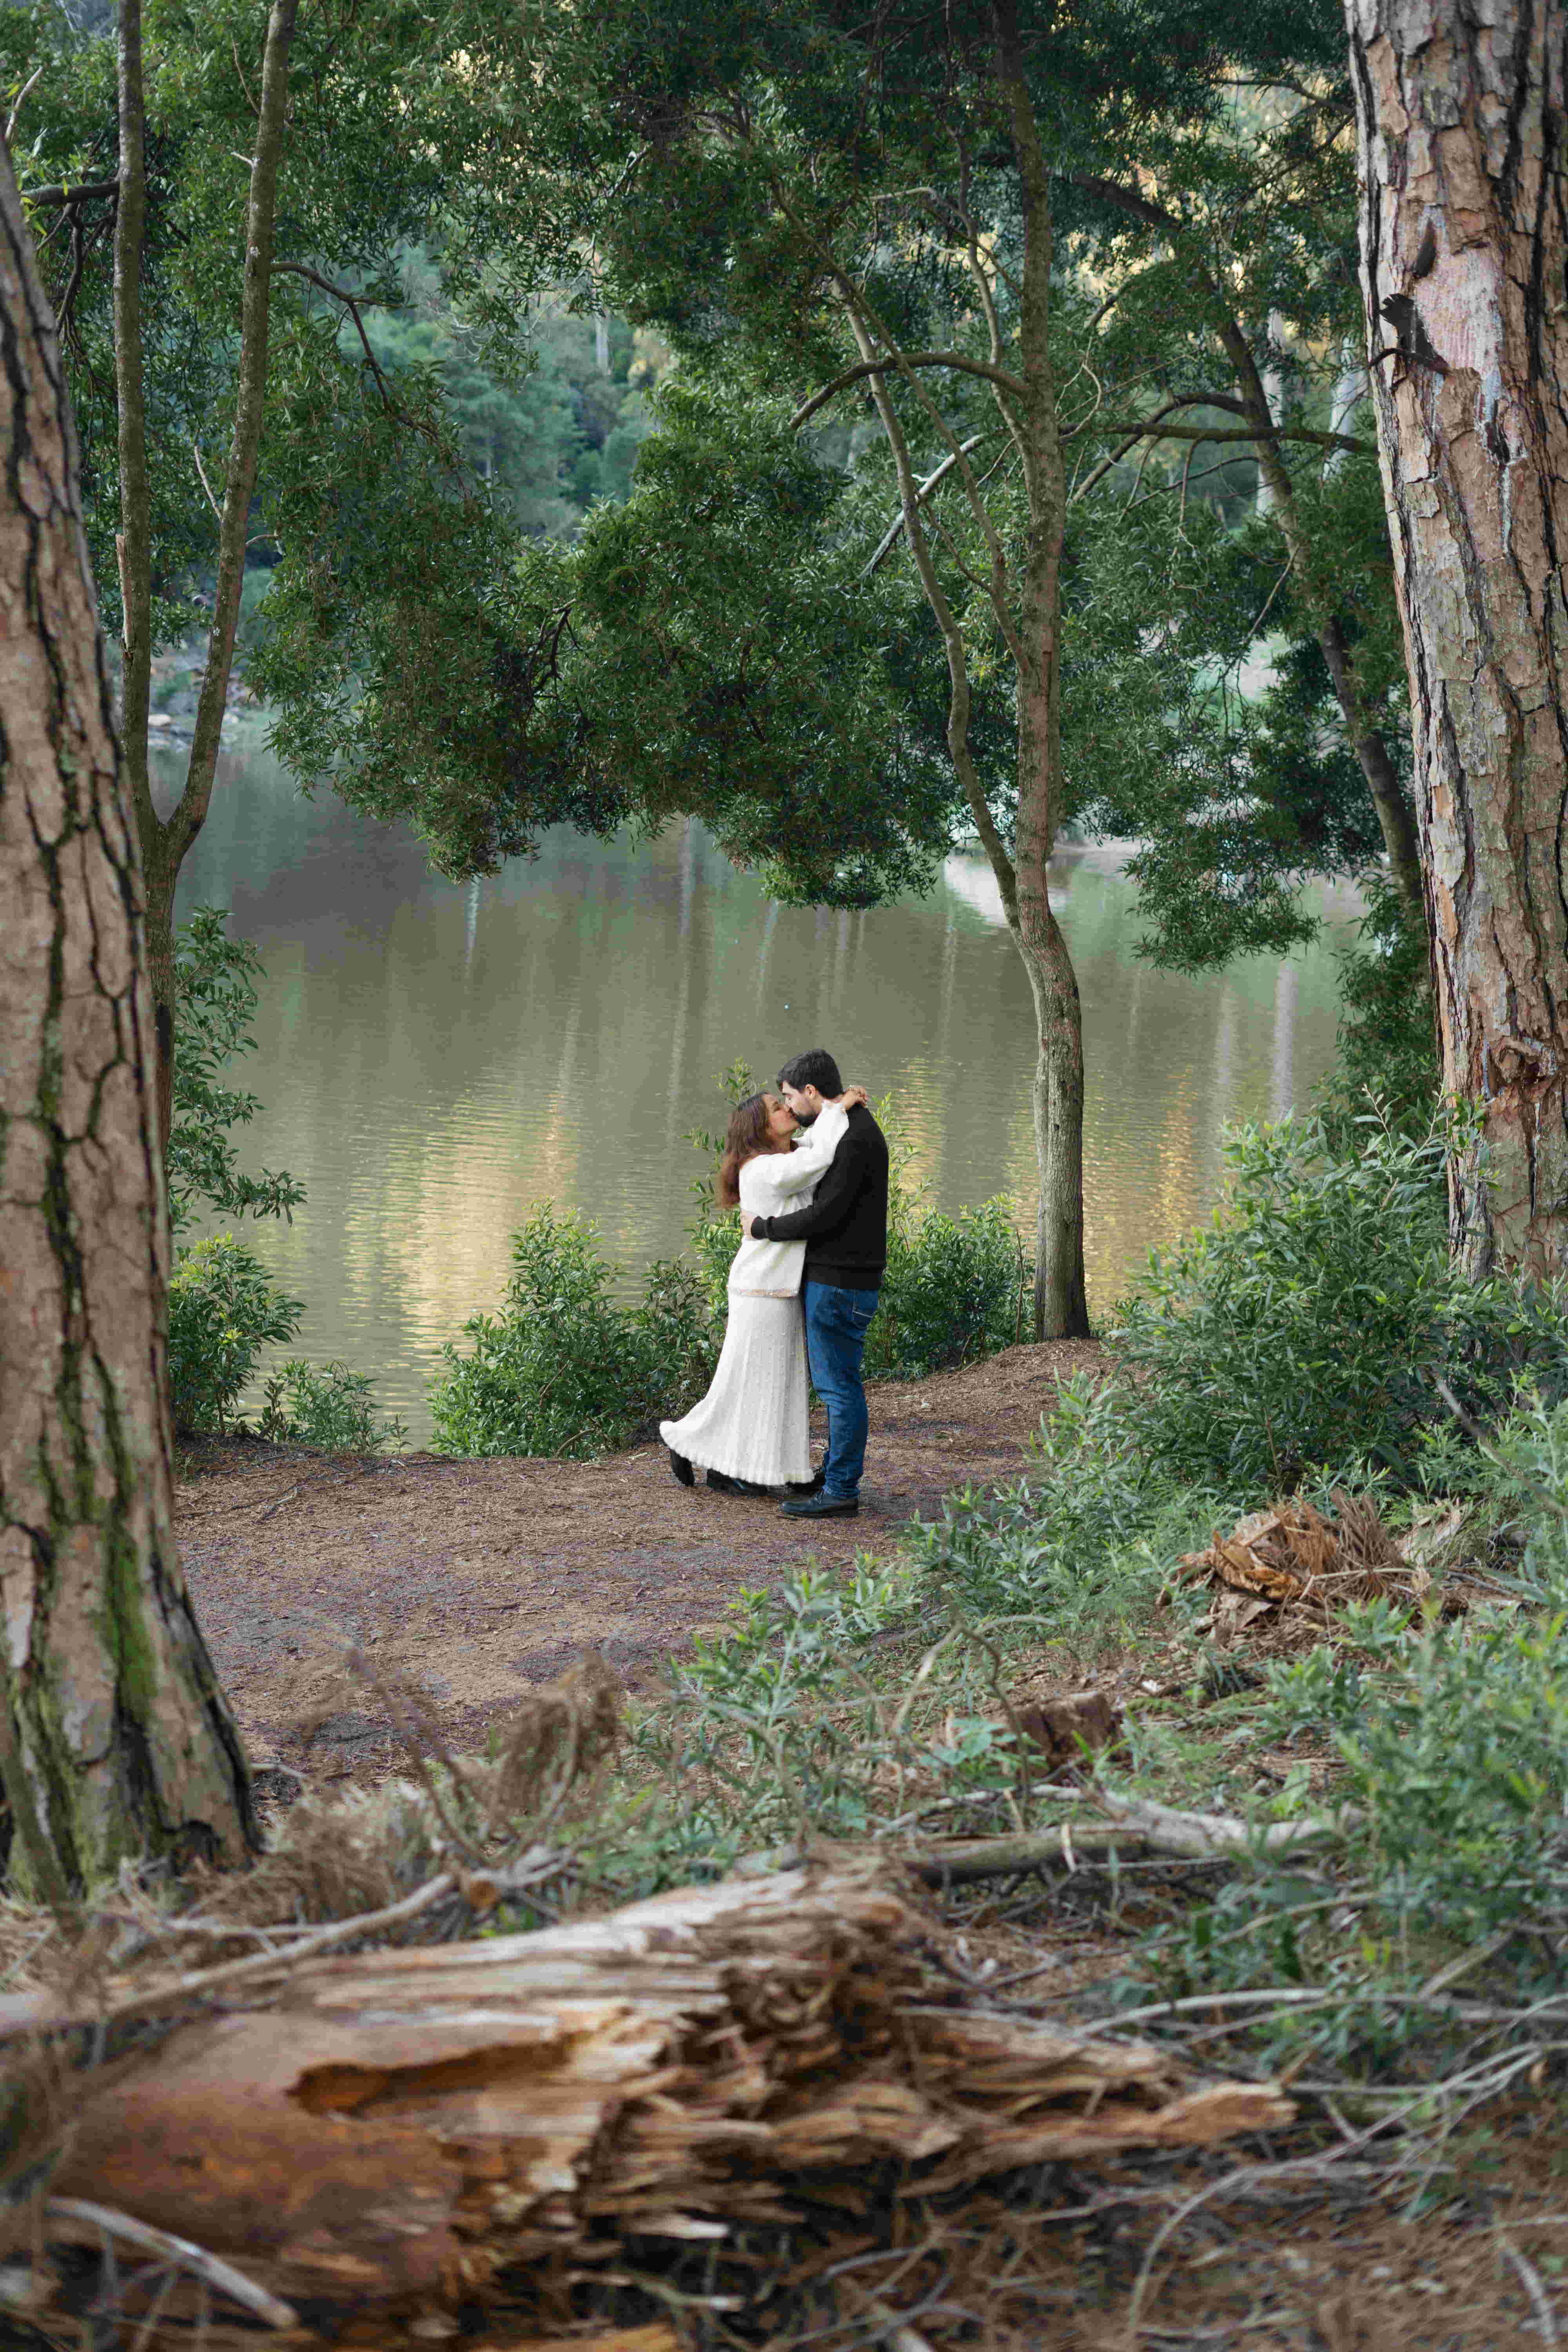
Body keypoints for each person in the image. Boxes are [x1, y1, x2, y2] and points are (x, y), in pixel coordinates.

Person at [660, 1080, 866, 1495]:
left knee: (774, 1384)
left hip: (779, 1289)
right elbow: (823, 1154)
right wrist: (837, 1109)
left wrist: (830, 1113)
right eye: (778, 1108)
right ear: (760, 1127)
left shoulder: (784, 1159)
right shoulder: (764, 1170)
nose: (788, 1110)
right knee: (750, 1383)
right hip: (760, 1291)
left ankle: (759, 1468)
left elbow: (813, 1148)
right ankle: (687, 1440)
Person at [746, 1047, 888, 1520]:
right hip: (845, 1278)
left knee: (838, 1389)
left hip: (841, 1282)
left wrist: (764, 1228)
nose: (789, 1108)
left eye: (790, 1097)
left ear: (811, 1092)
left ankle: (842, 1489)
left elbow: (825, 1215)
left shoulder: (851, 1135)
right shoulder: (851, 1126)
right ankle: (833, 1475)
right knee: (838, 1385)